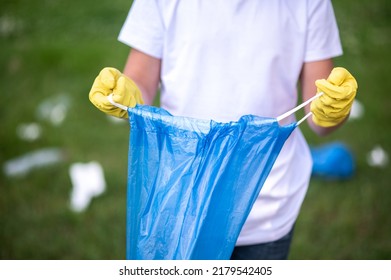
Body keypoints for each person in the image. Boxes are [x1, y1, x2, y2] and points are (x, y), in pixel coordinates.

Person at [89, 0, 358, 260]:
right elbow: (141, 80)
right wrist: (130, 95)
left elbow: (317, 108)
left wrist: (331, 112)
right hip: (181, 195)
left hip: (267, 201)